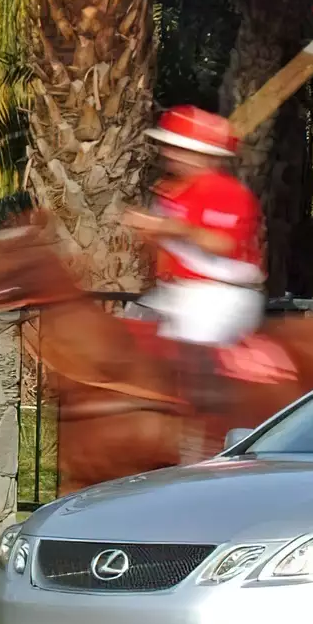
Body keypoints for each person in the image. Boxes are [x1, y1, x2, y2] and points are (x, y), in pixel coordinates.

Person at [122, 106, 265, 408]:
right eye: (170, 146)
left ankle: (206, 429)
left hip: (220, 295)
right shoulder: (170, 190)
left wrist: (169, 227)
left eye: (182, 148)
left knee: (191, 365)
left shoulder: (227, 191)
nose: (171, 153)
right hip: (173, 293)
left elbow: (222, 243)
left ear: (207, 155)